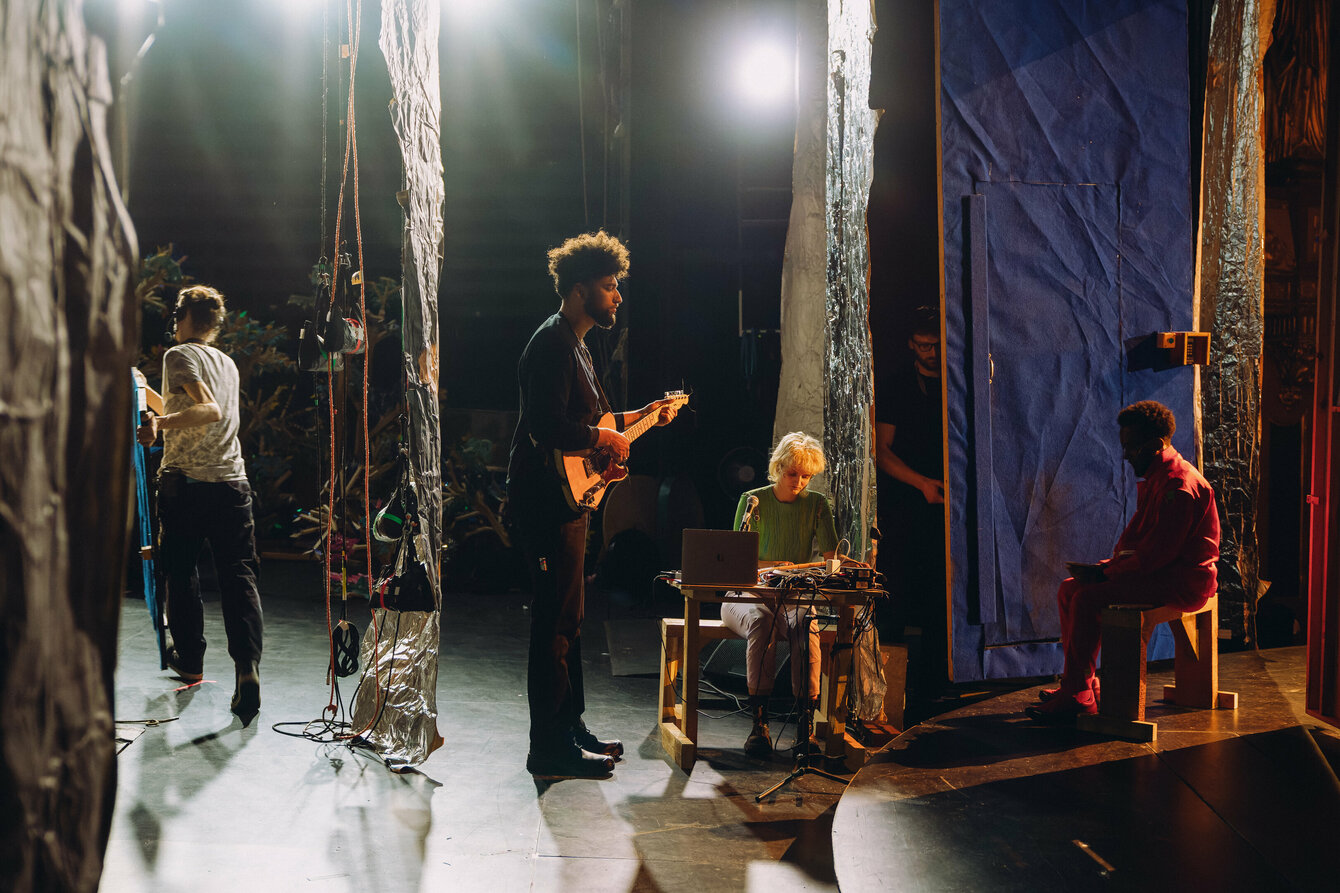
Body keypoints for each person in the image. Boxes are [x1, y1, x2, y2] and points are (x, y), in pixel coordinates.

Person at [507, 230, 680, 779]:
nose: (617, 297)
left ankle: (569, 727)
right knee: (552, 626)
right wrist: (603, 442)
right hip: (545, 502)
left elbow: (596, 425)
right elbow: (545, 425)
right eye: (609, 287)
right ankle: (548, 749)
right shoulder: (552, 343)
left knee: (572, 620)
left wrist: (644, 416)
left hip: (568, 502)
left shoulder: (576, 345)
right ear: (579, 289)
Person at [1027, 400, 1221, 720]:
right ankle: (1082, 684)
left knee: (1088, 599)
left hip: (1182, 582)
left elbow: (1158, 555)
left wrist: (1108, 574)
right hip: (1161, 574)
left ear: (1156, 445)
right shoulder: (1162, 476)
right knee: (1068, 589)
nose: (1127, 454)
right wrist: (1106, 568)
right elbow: (1142, 548)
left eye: (1131, 446)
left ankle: (1077, 695)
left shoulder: (1178, 486)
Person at [136, 285, 264, 719]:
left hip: (188, 483)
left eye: (176, 316)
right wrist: (147, 397)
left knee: (179, 570)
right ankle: (247, 670)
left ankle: (189, 658)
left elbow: (205, 411)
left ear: (185, 318)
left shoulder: (179, 355)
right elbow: (187, 407)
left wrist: (159, 424)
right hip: (232, 484)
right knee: (238, 576)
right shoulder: (224, 362)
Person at [722, 432, 862, 758]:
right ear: (778, 467)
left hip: (792, 596)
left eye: (806, 476)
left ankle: (805, 728)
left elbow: (831, 558)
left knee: (806, 624)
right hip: (749, 594)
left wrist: (848, 564)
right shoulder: (753, 500)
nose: (799, 482)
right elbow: (737, 560)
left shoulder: (816, 505)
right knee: (760, 622)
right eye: (792, 474)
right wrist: (775, 565)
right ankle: (759, 725)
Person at [874, 305, 947, 699]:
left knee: (942, 593)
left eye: (936, 345)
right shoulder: (899, 385)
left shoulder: (958, 380)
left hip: (949, 502)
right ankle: (886, 691)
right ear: (911, 346)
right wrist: (921, 483)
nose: (931, 353)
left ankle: (936, 685)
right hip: (906, 500)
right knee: (894, 592)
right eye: (923, 346)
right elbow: (881, 452)